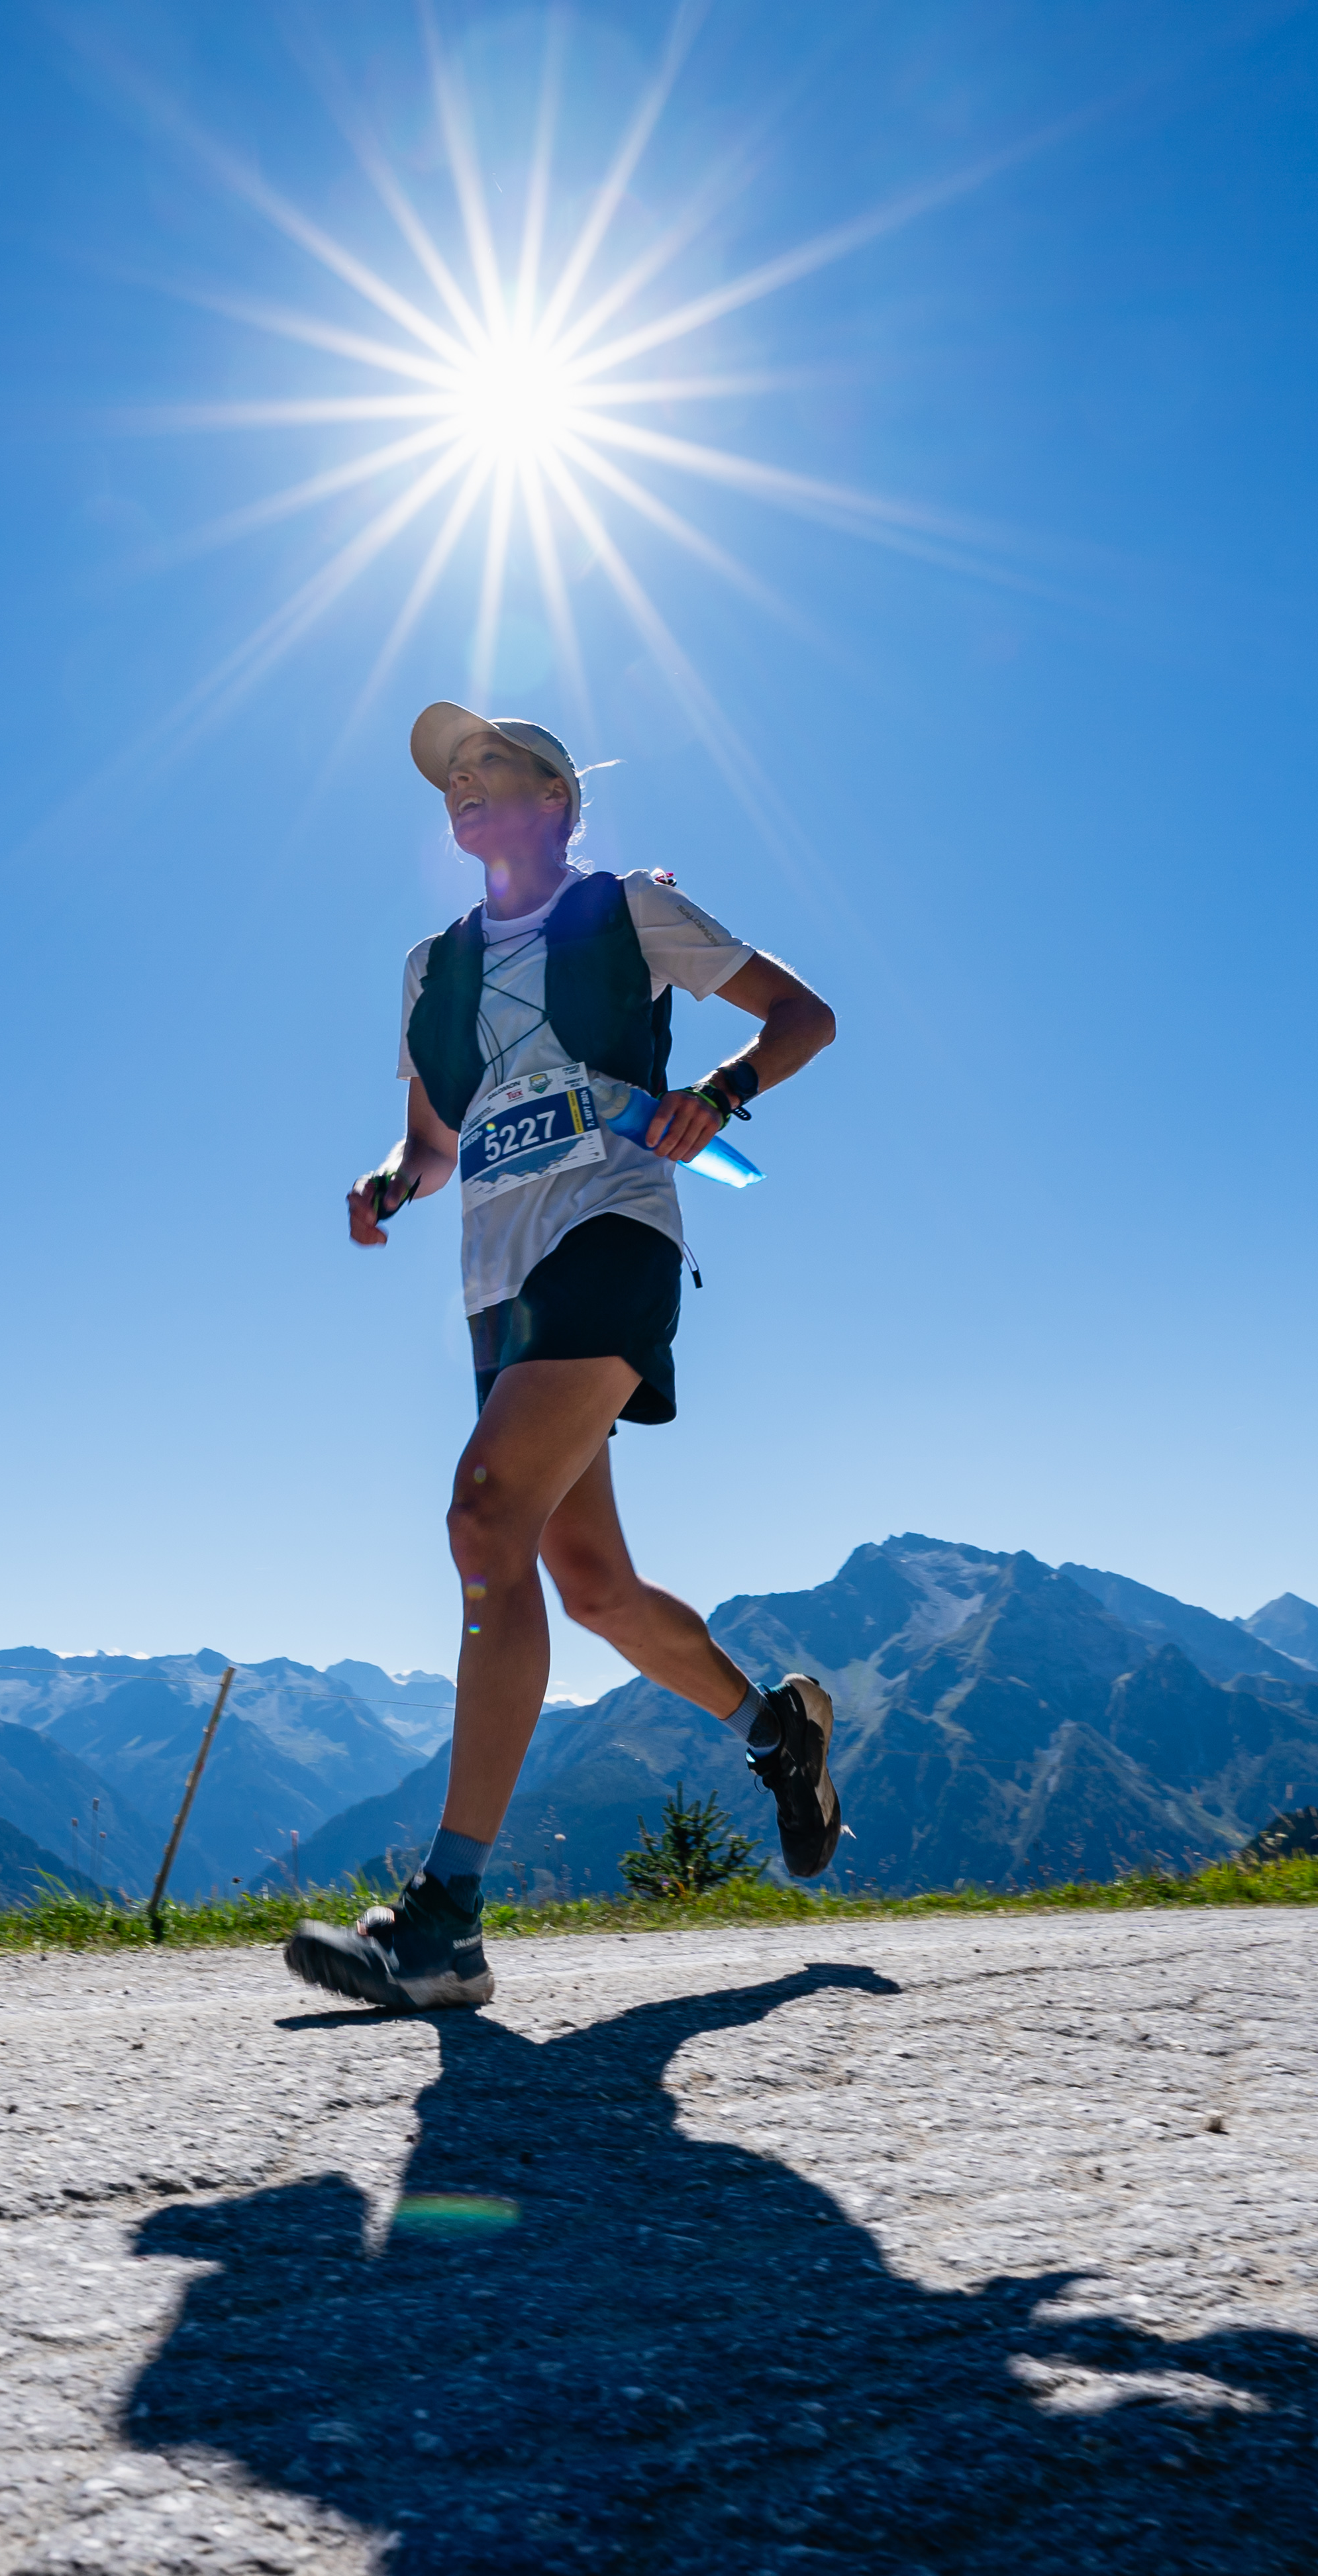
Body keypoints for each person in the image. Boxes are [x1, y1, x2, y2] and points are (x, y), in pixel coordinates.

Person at [285, 703, 843, 2012]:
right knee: (591, 1583)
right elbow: (432, 1139)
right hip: (494, 1279)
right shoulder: (433, 971)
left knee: (486, 1520)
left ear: (554, 797)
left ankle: (444, 1920)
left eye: (489, 767)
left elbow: (803, 1014)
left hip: (612, 1228)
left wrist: (726, 1088)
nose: (463, 787)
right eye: (450, 780)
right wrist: (389, 1180)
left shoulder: (625, 912)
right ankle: (781, 1733)